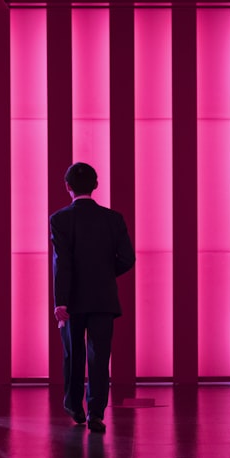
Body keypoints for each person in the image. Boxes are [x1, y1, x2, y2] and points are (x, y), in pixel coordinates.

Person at [50, 162, 135, 433]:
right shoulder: (114, 219)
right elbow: (128, 259)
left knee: (73, 354)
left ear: (68, 187)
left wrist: (61, 300)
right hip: (103, 298)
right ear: (95, 186)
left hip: (72, 300)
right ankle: (96, 413)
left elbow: (61, 262)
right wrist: (106, 275)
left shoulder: (60, 219)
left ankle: (75, 407)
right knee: (100, 356)